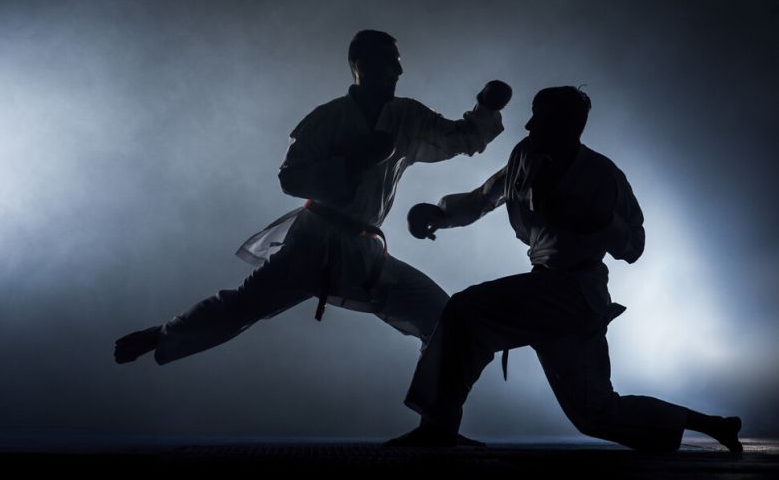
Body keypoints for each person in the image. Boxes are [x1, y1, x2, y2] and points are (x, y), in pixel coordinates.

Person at [113, 30, 510, 409]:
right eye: (390, 62)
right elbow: (290, 178)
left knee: (441, 316)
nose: (399, 71)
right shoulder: (326, 119)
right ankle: (161, 335)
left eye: (399, 63)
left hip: (366, 251)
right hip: (313, 242)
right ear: (360, 65)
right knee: (242, 307)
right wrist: (351, 161)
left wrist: (487, 108)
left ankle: (435, 422)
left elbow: (459, 139)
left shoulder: (407, 116)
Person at [387, 86, 743, 452]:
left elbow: (634, 246)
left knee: (466, 311)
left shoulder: (603, 175)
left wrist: (599, 221)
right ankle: (713, 424)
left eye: (539, 119)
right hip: (548, 290)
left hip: (575, 291)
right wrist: (442, 214)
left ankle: (438, 427)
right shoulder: (525, 155)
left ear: (568, 126)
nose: (529, 125)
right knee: (595, 413)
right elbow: (487, 196)